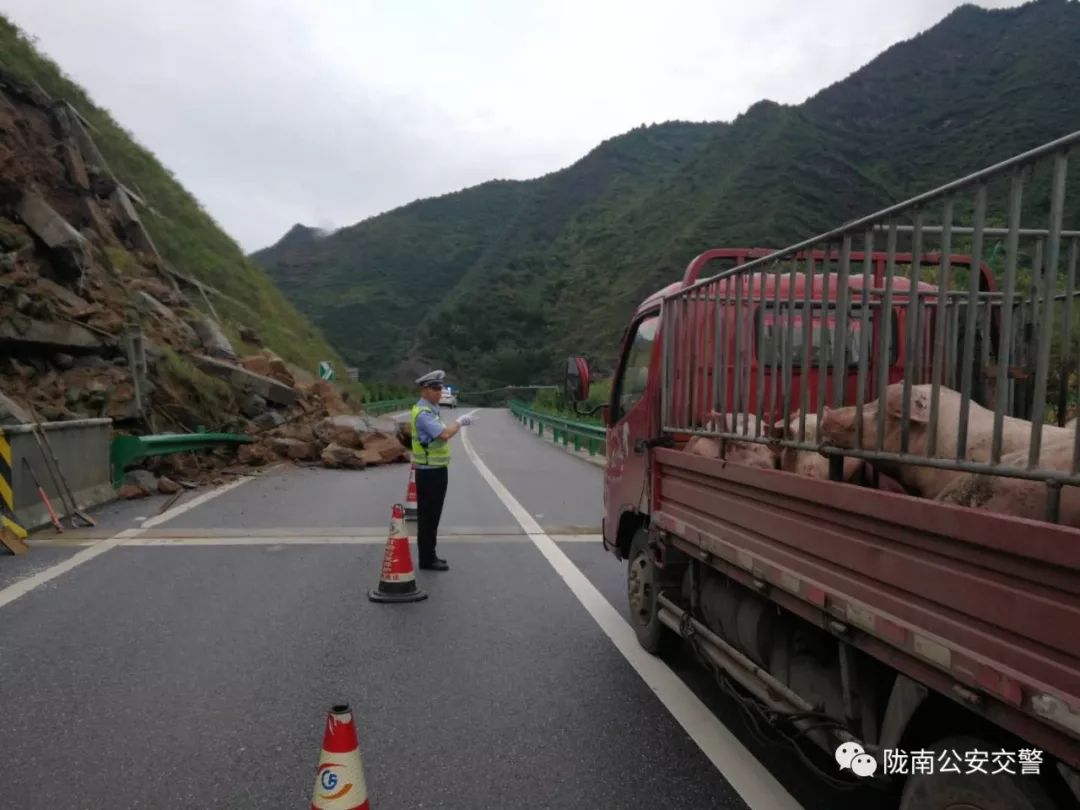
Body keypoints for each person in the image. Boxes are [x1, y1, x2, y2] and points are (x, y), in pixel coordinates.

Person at [410, 370, 475, 571]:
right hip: (429, 471)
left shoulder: (432, 410)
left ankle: (431, 554)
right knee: (428, 517)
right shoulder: (423, 414)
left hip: (436, 469)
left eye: (440, 388)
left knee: (433, 516)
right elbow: (444, 434)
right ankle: (427, 559)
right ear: (424, 390)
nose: (439, 392)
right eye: (434, 389)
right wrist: (460, 422)